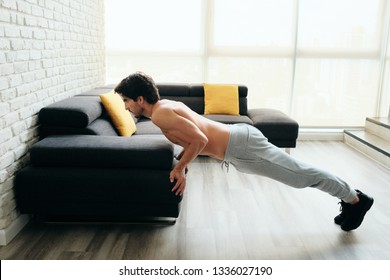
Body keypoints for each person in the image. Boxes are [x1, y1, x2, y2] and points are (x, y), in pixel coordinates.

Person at [114, 72, 374, 231]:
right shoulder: (164, 107)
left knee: (300, 175)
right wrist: (181, 163)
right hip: (238, 147)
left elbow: (200, 140)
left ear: (139, 99)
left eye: (126, 101)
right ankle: (352, 199)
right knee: (299, 175)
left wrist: (180, 168)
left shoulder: (161, 115)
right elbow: (192, 140)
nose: (125, 107)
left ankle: (356, 200)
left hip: (242, 146)